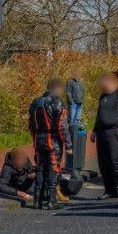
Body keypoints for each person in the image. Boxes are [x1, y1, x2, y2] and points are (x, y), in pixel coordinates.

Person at [28, 78, 71, 210]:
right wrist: (68, 144)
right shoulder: (57, 103)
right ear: (57, 88)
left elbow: (31, 125)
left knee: (40, 168)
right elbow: (62, 126)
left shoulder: (35, 103)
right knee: (54, 168)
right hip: (53, 141)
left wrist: (35, 140)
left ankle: (37, 200)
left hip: (38, 140)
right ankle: (52, 201)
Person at [91, 72, 118, 199]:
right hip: (101, 132)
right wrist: (94, 131)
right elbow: (99, 114)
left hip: (115, 132)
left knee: (115, 161)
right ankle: (110, 190)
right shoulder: (103, 96)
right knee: (103, 163)